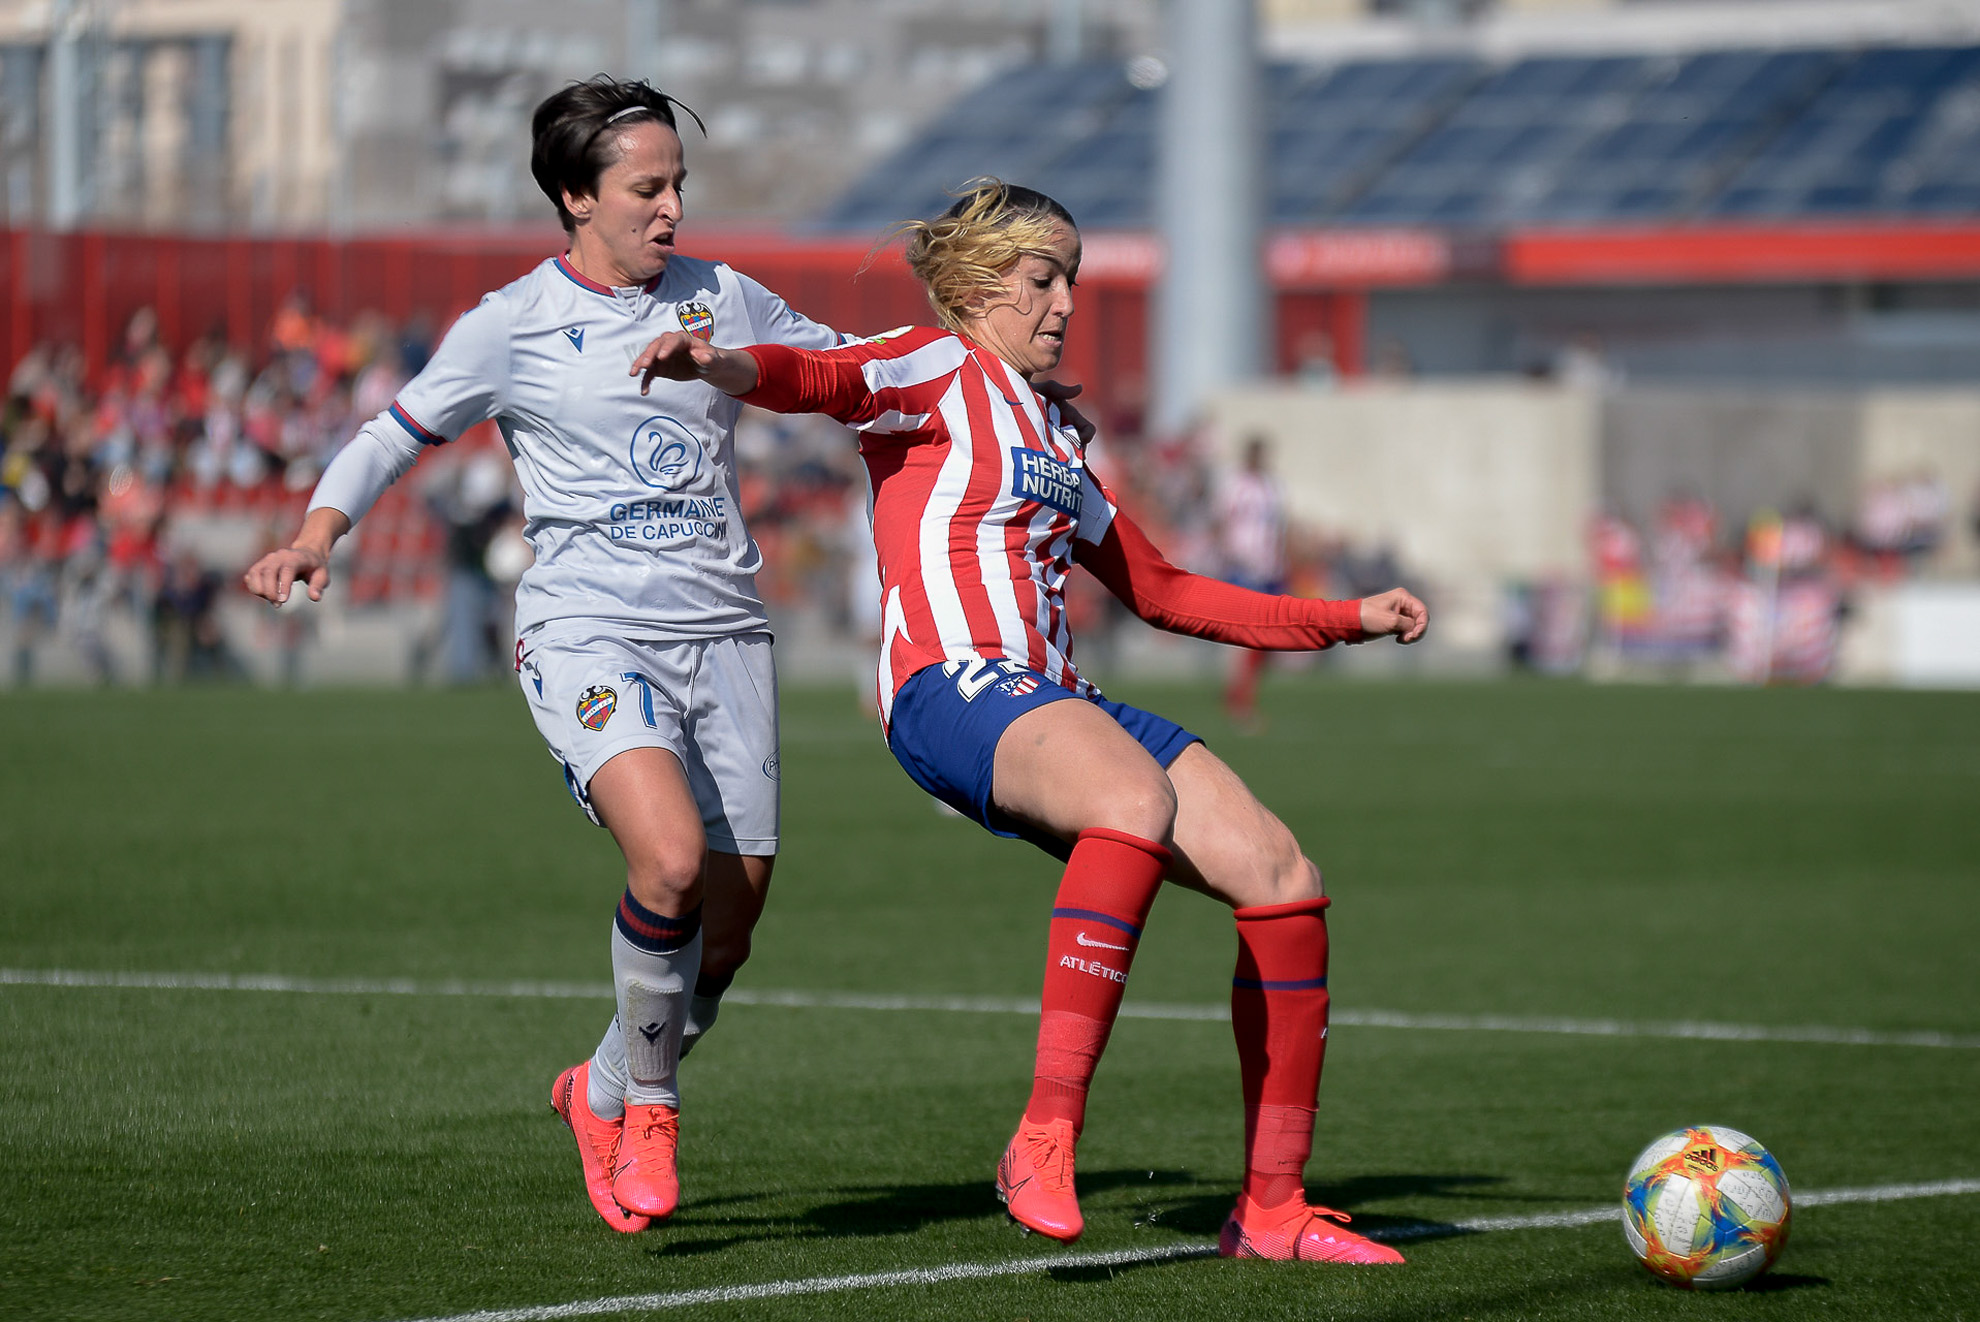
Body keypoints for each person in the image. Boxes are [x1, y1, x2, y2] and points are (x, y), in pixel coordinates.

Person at [632, 180, 1428, 1263]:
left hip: (1054, 696)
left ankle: (1273, 1208)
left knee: (1283, 875)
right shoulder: (935, 365)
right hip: (951, 686)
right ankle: (1044, 1134)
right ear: (975, 285)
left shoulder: (1053, 431)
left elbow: (1164, 589)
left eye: (1071, 281)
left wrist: (1343, 616)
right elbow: (821, 375)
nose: (1063, 303)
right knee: (1130, 800)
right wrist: (720, 362)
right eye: (1040, 278)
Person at [242, 78, 846, 1234]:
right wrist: (315, 534)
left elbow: (848, 375)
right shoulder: (512, 321)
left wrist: (985, 379)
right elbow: (394, 431)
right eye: (647, 188)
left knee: (731, 927)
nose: (673, 209)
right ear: (576, 196)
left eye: (679, 185)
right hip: (587, 626)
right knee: (667, 861)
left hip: (725, 631)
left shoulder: (725, 298)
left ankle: (600, 1088)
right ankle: (653, 1109)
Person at [1214, 434, 1289, 729]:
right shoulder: (1234, 485)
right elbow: (1221, 522)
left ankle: (1242, 693)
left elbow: (1279, 527)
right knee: (1247, 637)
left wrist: (1279, 560)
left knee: (1267, 638)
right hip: (1242, 567)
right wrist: (1229, 555)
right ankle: (1240, 700)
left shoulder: (1273, 487)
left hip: (1268, 568)